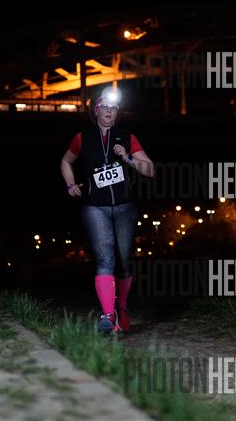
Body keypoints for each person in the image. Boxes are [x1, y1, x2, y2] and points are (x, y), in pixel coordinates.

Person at [60, 88, 155, 334]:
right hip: (95, 207)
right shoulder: (82, 137)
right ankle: (107, 315)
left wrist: (128, 159)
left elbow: (150, 169)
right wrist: (70, 184)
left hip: (124, 206)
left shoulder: (127, 136)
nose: (109, 112)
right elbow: (66, 161)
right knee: (105, 259)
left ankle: (121, 308)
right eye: (105, 107)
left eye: (113, 108)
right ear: (96, 111)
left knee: (123, 261)